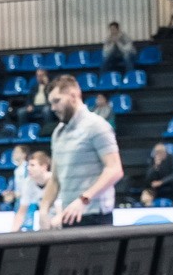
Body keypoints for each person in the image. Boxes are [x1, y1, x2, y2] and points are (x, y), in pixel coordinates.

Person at [42, 76, 123, 227]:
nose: (53, 108)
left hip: (95, 216)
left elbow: (115, 170)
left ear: (73, 96)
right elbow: (55, 178)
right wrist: (43, 209)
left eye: (57, 101)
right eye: (51, 103)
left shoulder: (97, 126)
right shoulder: (58, 132)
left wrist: (84, 199)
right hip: (68, 215)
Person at [11, 150, 50, 232]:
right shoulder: (28, 183)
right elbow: (21, 212)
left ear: (44, 167)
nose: (28, 168)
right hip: (45, 218)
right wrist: (12, 233)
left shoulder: (54, 181)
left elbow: (59, 209)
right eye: (28, 165)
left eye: (32, 165)